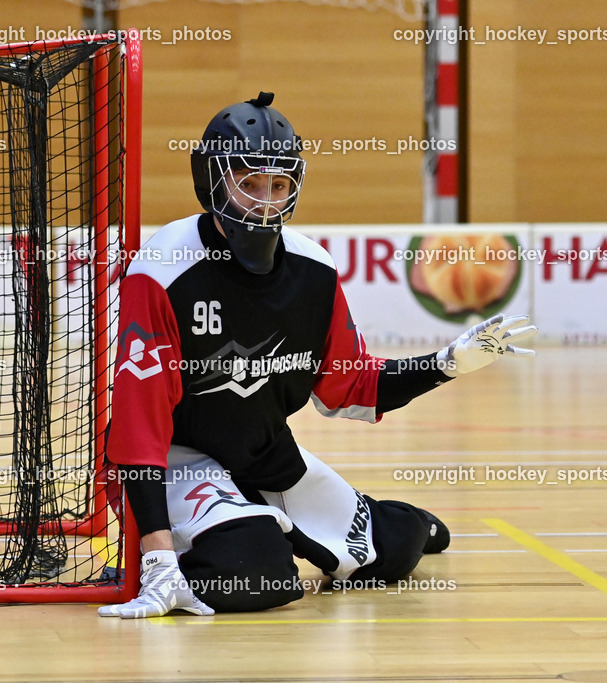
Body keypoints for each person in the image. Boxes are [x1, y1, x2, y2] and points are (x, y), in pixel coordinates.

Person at [99, 92, 537, 619]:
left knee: (394, 550)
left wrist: (445, 364)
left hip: (264, 454)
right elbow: (138, 426)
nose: (265, 201)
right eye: (249, 184)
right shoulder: (162, 271)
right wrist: (157, 559)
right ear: (212, 181)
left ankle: (395, 521)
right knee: (264, 576)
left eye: (278, 185)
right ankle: (213, 546)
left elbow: (350, 387)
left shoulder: (314, 269)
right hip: (180, 461)